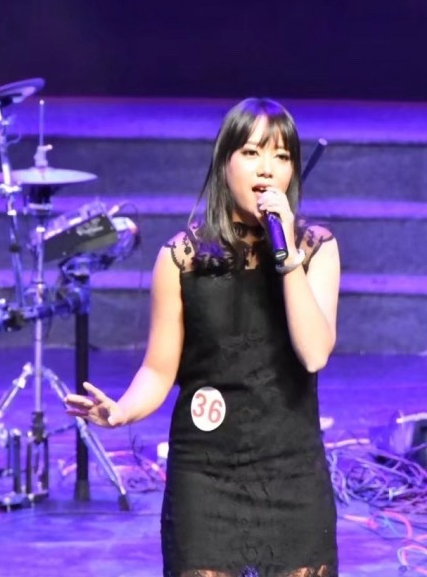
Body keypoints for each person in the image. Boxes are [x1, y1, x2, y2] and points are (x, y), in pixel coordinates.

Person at [64, 98, 340, 577]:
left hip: (292, 468)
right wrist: (122, 411)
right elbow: (158, 369)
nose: (267, 168)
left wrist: (287, 253)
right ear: (225, 162)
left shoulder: (316, 248)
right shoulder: (181, 258)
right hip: (206, 472)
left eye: (281, 156)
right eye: (252, 153)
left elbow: (314, 353)